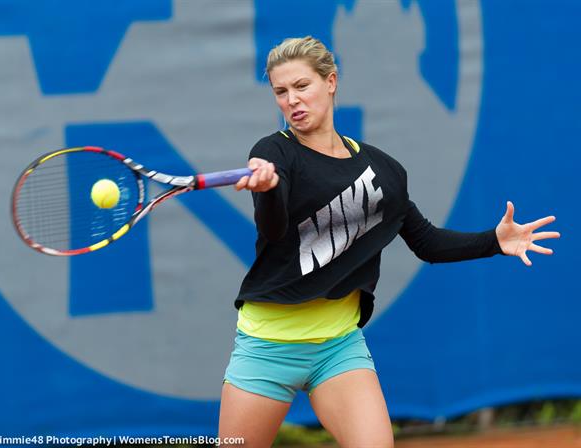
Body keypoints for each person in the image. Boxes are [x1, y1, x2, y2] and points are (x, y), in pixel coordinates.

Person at [218, 36, 560, 448]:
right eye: (281, 92)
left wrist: (494, 240)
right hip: (267, 348)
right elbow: (272, 230)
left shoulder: (383, 170)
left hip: (338, 349)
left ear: (331, 82)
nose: (292, 100)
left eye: (301, 86)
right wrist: (269, 189)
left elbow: (427, 242)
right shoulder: (274, 151)